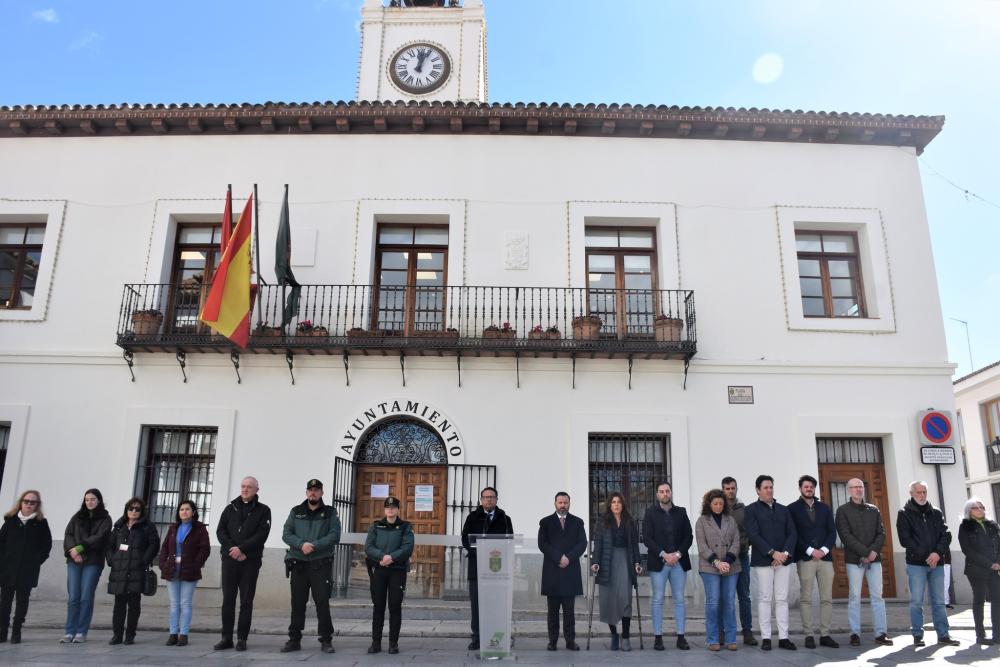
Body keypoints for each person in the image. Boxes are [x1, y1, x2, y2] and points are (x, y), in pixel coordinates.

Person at [896, 480, 960, 647]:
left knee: (939, 601)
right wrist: (926, 556)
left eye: (924, 492)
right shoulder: (904, 513)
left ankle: (943, 634)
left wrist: (937, 554)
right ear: (911, 493)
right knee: (917, 601)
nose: (922, 495)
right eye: (918, 492)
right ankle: (918, 635)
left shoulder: (936, 512)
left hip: (937, 563)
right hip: (916, 564)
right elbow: (905, 539)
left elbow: (946, 535)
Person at [281, 478, 340, 654]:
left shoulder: (330, 512)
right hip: (299, 563)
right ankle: (294, 639)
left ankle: (326, 639)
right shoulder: (296, 511)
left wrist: (314, 545)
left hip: (320, 564)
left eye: (316, 490)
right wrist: (301, 544)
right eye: (310, 490)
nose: (313, 493)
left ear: (322, 492)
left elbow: (334, 535)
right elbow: (286, 533)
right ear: (306, 492)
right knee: (297, 603)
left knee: (322, 602)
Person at [215, 476, 271, 652]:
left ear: (256, 490)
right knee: (228, 600)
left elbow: (262, 534)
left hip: (250, 561)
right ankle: (226, 637)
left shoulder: (264, 511)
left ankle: (242, 638)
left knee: (246, 601)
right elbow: (220, 531)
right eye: (243, 486)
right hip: (229, 559)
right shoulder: (230, 508)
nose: (245, 489)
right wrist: (232, 548)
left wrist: (243, 549)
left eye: (249, 487)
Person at [834, 477, 892, 647]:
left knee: (877, 597)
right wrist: (866, 552)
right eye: (854, 487)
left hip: (874, 560)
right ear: (849, 490)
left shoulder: (873, 509)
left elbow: (881, 533)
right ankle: (854, 633)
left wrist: (873, 552)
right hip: (854, 560)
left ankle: (881, 633)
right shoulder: (842, 511)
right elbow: (846, 536)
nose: (858, 489)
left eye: (860, 486)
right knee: (854, 597)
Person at [744, 474, 797, 651]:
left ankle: (784, 638)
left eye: (771, 487)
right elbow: (753, 534)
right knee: (765, 598)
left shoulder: (784, 510)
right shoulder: (751, 510)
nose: (769, 490)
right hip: (763, 560)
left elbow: (792, 533)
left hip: (783, 561)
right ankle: (766, 637)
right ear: (758, 490)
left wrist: (784, 554)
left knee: (782, 599)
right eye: (765, 487)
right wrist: (772, 553)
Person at [787, 474, 838, 649]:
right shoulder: (791, 509)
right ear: (800, 488)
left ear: (814, 489)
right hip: (805, 558)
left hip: (825, 558)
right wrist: (810, 550)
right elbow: (793, 534)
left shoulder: (825, 508)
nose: (809, 489)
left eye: (811, 486)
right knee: (806, 598)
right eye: (806, 486)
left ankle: (825, 634)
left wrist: (823, 550)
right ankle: (809, 634)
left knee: (827, 598)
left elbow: (832, 532)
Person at [461, 486, 513, 651]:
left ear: (496, 499)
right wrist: (479, 552)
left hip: (497, 570)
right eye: (486, 497)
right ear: (481, 500)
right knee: (477, 606)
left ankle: (497, 637)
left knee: (496, 605)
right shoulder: (472, 517)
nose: (489, 500)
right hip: (477, 568)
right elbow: (465, 539)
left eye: (492, 497)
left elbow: (510, 540)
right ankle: (476, 638)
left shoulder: (504, 518)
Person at [642, 481, 693, 651]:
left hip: (679, 562)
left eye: (667, 491)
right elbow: (647, 538)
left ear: (671, 493)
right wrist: (664, 554)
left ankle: (681, 637)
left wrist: (677, 554)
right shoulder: (650, 513)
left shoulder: (681, 512)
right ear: (657, 495)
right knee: (657, 599)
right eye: (661, 491)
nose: (665, 494)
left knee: (679, 599)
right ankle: (658, 638)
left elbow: (689, 537)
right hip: (659, 562)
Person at [105, 496, 160, 645]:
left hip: (137, 569)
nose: (134, 511)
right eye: (131, 508)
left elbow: (154, 545)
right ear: (126, 510)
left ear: (142, 511)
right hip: (119, 570)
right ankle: (117, 635)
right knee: (119, 605)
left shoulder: (147, 526)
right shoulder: (119, 526)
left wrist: (144, 561)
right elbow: (109, 545)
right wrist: (111, 560)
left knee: (134, 604)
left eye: (137, 509)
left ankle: (130, 635)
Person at [590, 492, 641, 651]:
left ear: (623, 504)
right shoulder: (602, 522)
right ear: (609, 505)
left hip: (625, 561)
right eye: (613, 502)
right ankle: (614, 635)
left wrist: (637, 562)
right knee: (609, 600)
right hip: (607, 562)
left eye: (619, 502)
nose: (616, 504)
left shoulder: (630, 522)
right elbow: (597, 544)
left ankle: (625, 637)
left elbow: (634, 545)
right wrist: (595, 562)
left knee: (626, 599)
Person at [0, 489, 52, 644]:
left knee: (23, 602)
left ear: (37, 505)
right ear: (21, 502)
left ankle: (17, 631)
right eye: (26, 501)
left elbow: (46, 546)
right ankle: (2, 631)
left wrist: (36, 561)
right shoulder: (10, 521)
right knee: (5, 602)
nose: (29, 504)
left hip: (27, 570)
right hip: (8, 569)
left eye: (33, 502)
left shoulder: (41, 523)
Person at [364, 496, 414, 655]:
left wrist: (391, 557)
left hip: (397, 571)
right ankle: (376, 642)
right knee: (378, 607)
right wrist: (381, 557)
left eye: (393, 507)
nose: (390, 510)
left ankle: (393, 643)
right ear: (384, 509)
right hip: (379, 570)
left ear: (398, 509)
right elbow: (368, 547)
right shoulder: (376, 526)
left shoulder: (405, 527)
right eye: (388, 507)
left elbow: (407, 547)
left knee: (394, 606)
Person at [538, 491, 587, 651]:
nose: (563, 505)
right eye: (560, 502)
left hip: (570, 572)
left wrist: (569, 558)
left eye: (565, 502)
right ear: (555, 503)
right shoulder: (545, 522)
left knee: (569, 611)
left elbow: (582, 543)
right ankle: (552, 641)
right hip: (552, 571)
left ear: (569, 503)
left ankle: (570, 641)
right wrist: (559, 557)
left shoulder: (578, 522)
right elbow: (543, 544)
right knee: (552, 612)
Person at [157, 499, 211, 647]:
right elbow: (165, 549)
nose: (184, 512)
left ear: (193, 512)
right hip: (172, 570)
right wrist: (163, 564)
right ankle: (173, 634)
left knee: (185, 603)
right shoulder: (173, 528)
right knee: (174, 604)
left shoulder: (200, 529)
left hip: (189, 570)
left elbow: (204, 549)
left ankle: (184, 635)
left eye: (187, 509)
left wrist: (195, 564)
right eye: (181, 509)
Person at [62, 488, 111, 644]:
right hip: (74, 560)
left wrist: (80, 548)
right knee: (73, 597)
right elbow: (68, 534)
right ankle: (69, 631)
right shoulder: (77, 517)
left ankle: (81, 632)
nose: (89, 502)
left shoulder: (105, 518)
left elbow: (100, 537)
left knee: (85, 596)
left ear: (99, 501)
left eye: (93, 499)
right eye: (87, 499)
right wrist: (72, 551)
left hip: (93, 561)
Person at [695, 489, 740, 652]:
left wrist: (727, 561)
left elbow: (736, 542)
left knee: (729, 602)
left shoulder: (731, 520)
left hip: (731, 565)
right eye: (715, 504)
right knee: (713, 603)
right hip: (709, 566)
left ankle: (731, 638)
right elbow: (702, 546)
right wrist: (716, 562)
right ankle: (712, 638)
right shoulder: (701, 521)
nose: (718, 506)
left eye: (721, 503)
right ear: (709, 504)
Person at [957, 497, 1000, 645]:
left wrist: (998, 562)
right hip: (976, 570)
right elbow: (967, 550)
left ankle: (998, 634)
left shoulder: (993, 525)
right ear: (969, 511)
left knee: (997, 600)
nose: (980, 510)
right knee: (979, 600)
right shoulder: (965, 527)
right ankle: (980, 635)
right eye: (976, 508)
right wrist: (989, 564)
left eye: (981, 507)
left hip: (995, 569)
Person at [721, 476, 756, 645]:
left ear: (736, 489)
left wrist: (745, 544)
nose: (730, 491)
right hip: (723, 558)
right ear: (723, 490)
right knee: (724, 597)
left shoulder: (744, 509)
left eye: (733, 488)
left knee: (744, 596)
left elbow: (750, 530)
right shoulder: (718, 508)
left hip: (741, 556)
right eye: (727, 489)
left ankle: (747, 632)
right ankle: (722, 632)